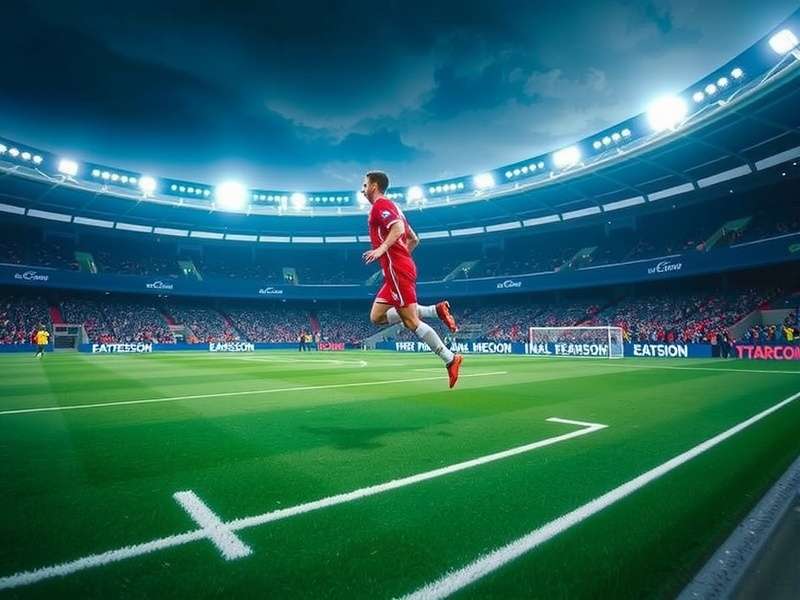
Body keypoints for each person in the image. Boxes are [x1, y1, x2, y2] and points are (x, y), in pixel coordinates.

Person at [360, 171, 462, 388]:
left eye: (365, 184)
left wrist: (383, 249)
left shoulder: (380, 206)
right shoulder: (395, 208)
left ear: (374, 186)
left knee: (410, 321)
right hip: (395, 271)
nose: (362, 189)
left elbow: (397, 229)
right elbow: (414, 239)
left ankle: (450, 358)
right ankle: (435, 310)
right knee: (376, 317)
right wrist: (399, 256)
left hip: (397, 271)